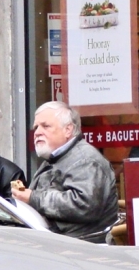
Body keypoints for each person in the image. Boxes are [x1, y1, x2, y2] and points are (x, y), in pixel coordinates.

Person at [12, 102, 118, 243]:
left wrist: (33, 198)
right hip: (56, 243)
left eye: (46, 126)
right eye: (36, 127)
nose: (37, 132)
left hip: (80, 248)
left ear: (68, 130)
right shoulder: (55, 158)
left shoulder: (85, 160)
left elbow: (84, 206)